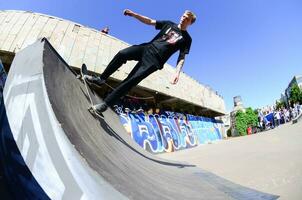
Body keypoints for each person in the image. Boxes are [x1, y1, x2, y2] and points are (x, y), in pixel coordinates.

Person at [84, 9, 196, 114]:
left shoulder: (187, 39)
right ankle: (101, 79)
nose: (183, 18)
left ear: (190, 22)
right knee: (123, 54)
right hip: (146, 48)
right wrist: (134, 14)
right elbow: (150, 21)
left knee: (131, 80)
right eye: (183, 16)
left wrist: (177, 73)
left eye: (186, 18)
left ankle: (105, 104)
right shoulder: (169, 24)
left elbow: (182, 57)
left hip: (154, 61)